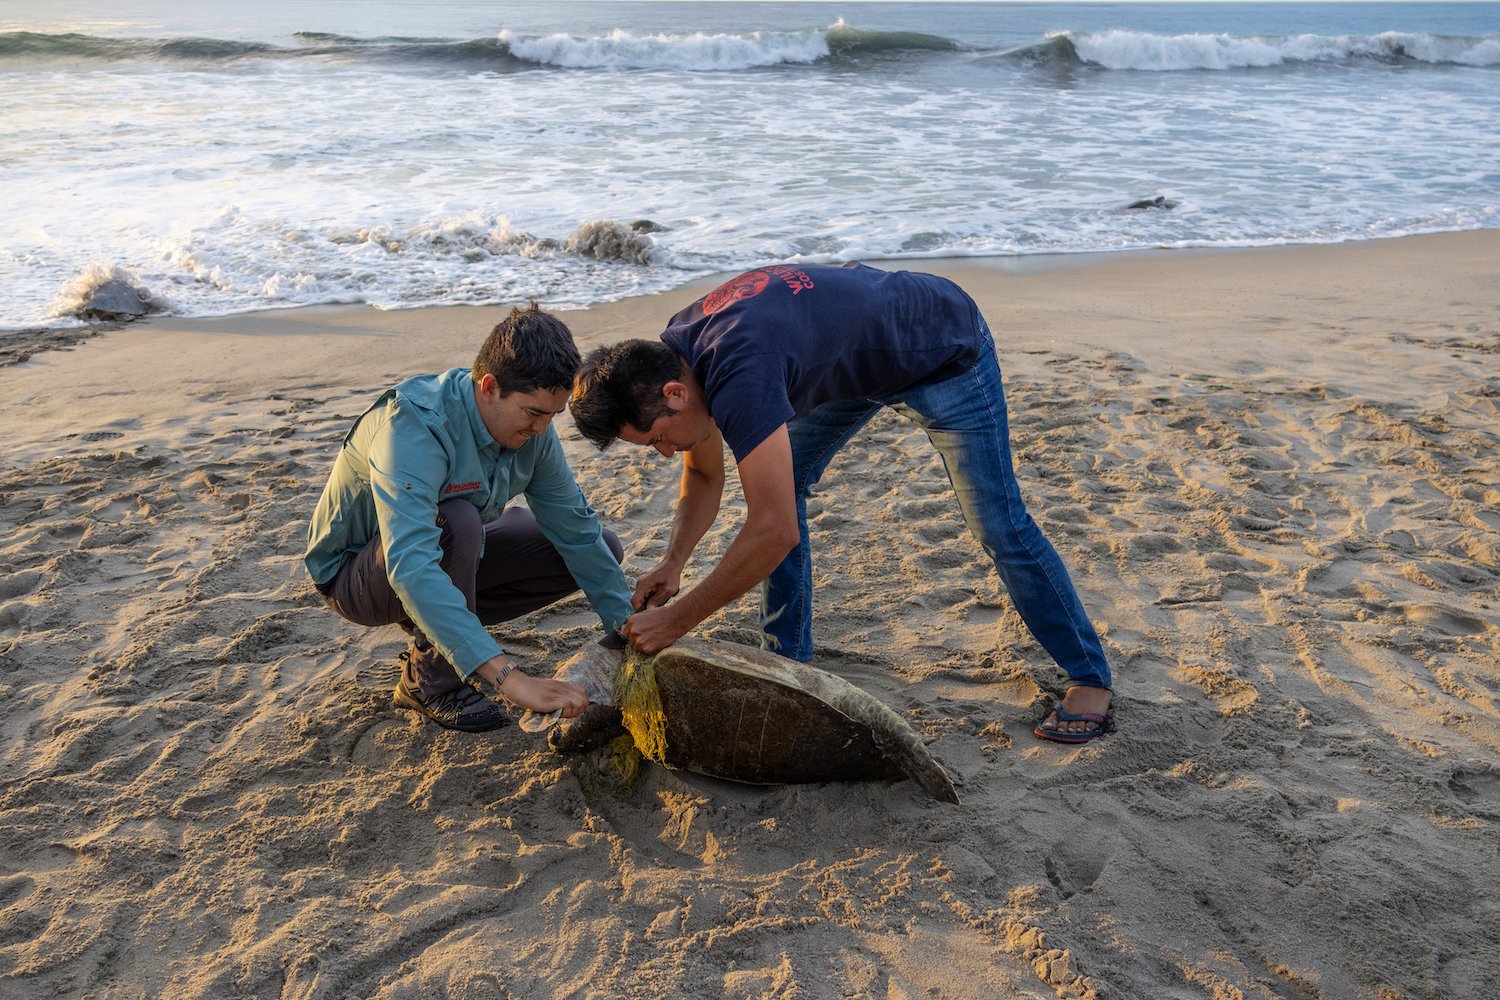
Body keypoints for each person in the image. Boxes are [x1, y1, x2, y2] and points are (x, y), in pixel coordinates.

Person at [569, 263, 1114, 744]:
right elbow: (705, 469)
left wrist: (678, 621)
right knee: (788, 481)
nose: (665, 452)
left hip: (943, 348)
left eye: (657, 438)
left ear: (674, 395)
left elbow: (774, 529)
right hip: (853, 363)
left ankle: (1089, 677)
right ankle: (788, 660)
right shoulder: (677, 355)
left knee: (999, 525)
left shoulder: (741, 376)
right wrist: (674, 561)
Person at [305, 304, 632, 733]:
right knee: (457, 519)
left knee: (603, 546)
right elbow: (412, 565)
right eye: (534, 413)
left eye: (554, 415)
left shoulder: (535, 430)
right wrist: (508, 678)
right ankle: (429, 683)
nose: (542, 430)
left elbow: (575, 527)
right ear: (490, 387)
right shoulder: (413, 427)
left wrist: (625, 631)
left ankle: (440, 626)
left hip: (448, 550)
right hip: (357, 577)